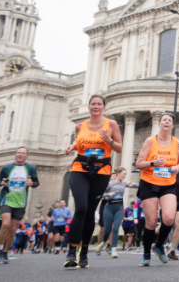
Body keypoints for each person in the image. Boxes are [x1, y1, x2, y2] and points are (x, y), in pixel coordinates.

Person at [63, 93, 123, 268]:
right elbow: (81, 143)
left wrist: (109, 140)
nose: (96, 106)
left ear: (103, 107)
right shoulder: (79, 126)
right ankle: (72, 251)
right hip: (80, 168)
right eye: (93, 104)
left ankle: (84, 252)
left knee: (90, 212)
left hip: (102, 170)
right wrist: (72, 147)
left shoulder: (110, 124)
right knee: (80, 208)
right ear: (89, 107)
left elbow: (118, 148)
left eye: (99, 104)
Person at [134, 111, 179, 267]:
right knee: (150, 222)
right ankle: (146, 254)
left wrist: (177, 167)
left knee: (169, 218)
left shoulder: (176, 142)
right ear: (159, 124)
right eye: (164, 120)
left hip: (168, 184)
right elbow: (138, 164)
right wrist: (153, 163)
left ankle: (159, 245)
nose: (166, 122)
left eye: (169, 120)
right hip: (149, 183)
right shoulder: (150, 141)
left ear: (173, 125)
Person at [0, 146, 40, 265]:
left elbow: (36, 183)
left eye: (23, 153)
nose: (20, 155)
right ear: (15, 155)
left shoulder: (30, 168)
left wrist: (31, 183)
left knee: (13, 229)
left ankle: (5, 252)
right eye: (19, 153)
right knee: (6, 224)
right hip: (6, 199)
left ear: (26, 156)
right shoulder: (7, 168)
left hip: (21, 202)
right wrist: (1, 183)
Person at [96, 166, 137, 258]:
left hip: (119, 208)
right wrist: (108, 194)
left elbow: (139, 186)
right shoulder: (110, 184)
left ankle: (114, 250)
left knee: (115, 229)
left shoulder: (124, 184)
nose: (125, 176)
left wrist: (133, 184)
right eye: (123, 174)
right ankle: (103, 243)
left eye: (126, 174)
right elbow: (99, 195)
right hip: (109, 208)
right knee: (107, 230)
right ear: (118, 174)